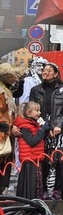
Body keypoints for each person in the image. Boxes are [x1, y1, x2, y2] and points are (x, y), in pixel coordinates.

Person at [29, 63, 63, 200]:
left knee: (60, 160)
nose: (45, 72)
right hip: (43, 130)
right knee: (44, 161)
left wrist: (59, 125)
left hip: (60, 130)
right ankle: (43, 193)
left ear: (55, 74)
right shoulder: (36, 90)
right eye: (44, 70)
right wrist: (45, 127)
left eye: (49, 70)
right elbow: (31, 110)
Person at [13, 101, 49, 200]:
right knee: (31, 186)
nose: (39, 113)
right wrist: (42, 130)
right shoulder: (24, 126)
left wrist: (44, 129)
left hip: (35, 158)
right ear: (29, 112)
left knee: (34, 185)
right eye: (37, 110)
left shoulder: (34, 124)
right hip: (30, 159)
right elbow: (32, 141)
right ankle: (29, 205)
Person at [0, 63, 24, 194]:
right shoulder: (1, 92)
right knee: (3, 170)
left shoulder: (6, 90)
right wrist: (10, 126)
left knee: (5, 170)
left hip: (6, 137)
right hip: (2, 137)